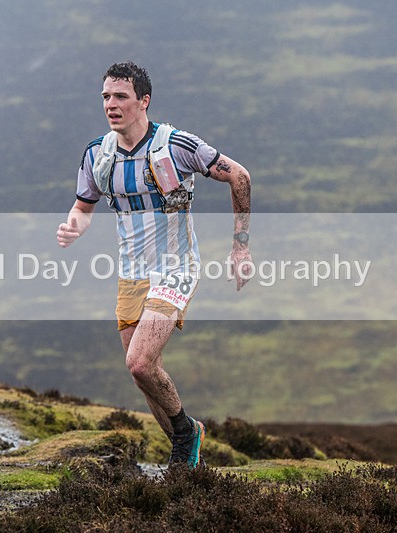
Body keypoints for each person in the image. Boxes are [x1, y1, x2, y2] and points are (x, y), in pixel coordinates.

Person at [57, 61, 251, 469]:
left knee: (140, 362)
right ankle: (187, 453)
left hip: (176, 268)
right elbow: (83, 205)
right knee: (144, 374)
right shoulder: (97, 154)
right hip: (131, 275)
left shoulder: (176, 145)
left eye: (121, 97)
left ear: (144, 101)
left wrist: (240, 247)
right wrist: (73, 227)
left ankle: (184, 436)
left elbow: (240, 177)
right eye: (106, 97)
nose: (112, 104)